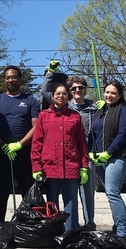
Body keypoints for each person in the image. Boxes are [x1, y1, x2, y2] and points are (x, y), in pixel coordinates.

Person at [41, 60, 97, 229]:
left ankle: (88, 225)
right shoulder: (62, 107)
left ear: (85, 89)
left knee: (86, 195)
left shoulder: (93, 107)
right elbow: (45, 90)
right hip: (59, 158)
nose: (77, 90)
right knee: (56, 198)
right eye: (73, 88)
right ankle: (57, 228)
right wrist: (49, 73)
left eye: (80, 88)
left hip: (86, 156)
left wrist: (105, 108)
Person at [31, 81, 89, 231]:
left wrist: (84, 166)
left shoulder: (75, 116)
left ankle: (70, 233)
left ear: (68, 96)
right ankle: (53, 232)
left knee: (71, 203)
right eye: (58, 93)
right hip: (50, 168)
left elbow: (82, 144)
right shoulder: (43, 116)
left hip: (71, 167)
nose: (61, 96)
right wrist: (36, 167)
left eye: (64, 93)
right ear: (52, 96)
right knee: (52, 204)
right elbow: (37, 143)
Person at [0, 65, 40, 222]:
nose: (10, 80)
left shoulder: (30, 100)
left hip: (23, 152)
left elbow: (36, 127)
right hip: (1, 152)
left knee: (27, 189)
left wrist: (19, 144)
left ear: (20, 79)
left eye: (13, 77)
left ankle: (27, 224)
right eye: (7, 77)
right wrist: (2, 144)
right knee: (0, 191)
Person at [89, 80, 126, 239]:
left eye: (113, 93)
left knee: (113, 192)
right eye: (107, 92)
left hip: (117, 156)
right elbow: (94, 133)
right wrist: (92, 152)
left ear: (120, 95)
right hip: (100, 158)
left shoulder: (124, 110)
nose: (109, 95)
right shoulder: (100, 110)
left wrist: (108, 152)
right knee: (110, 193)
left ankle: (122, 230)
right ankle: (119, 225)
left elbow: (123, 134)